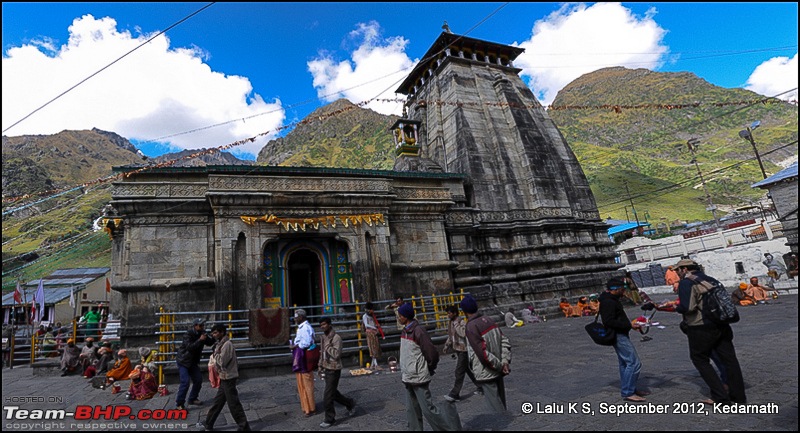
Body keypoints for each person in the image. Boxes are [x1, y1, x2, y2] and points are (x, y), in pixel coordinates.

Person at [674, 258, 746, 405]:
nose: (677, 273)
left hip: (701, 325)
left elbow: (688, 307)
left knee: (700, 359)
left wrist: (676, 307)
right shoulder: (710, 279)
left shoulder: (687, 282)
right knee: (730, 360)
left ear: (684, 269)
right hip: (721, 322)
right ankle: (738, 397)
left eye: (678, 270)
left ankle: (720, 396)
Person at [398, 302, 461, 431]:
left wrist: (429, 368)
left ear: (406, 316)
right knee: (412, 411)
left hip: (418, 375)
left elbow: (431, 353)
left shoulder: (418, 331)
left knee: (428, 410)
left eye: (400, 315)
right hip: (408, 375)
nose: (398, 318)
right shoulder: (405, 331)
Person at [599, 278, 648, 402]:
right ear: (615, 290)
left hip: (621, 333)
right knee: (634, 363)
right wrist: (629, 325)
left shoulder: (612, 300)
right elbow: (609, 321)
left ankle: (630, 388)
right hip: (617, 335)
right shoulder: (609, 302)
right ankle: (628, 391)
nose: (624, 291)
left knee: (625, 363)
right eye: (622, 289)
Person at [461, 295, 512, 413]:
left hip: (487, 370)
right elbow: (504, 340)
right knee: (501, 403)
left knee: (495, 408)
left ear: (464, 311)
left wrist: (499, 365)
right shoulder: (489, 320)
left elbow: (482, 354)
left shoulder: (471, 326)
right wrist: (504, 362)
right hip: (498, 368)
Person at [198, 323, 251, 431]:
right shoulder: (220, 344)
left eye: (216, 332)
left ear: (222, 332)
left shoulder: (227, 345)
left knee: (233, 404)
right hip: (224, 377)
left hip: (229, 377)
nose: (214, 335)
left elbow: (222, 362)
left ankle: (243, 426)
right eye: (213, 333)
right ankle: (209, 423)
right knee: (218, 402)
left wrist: (215, 354)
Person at [318, 317, 356, 428]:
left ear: (329, 324)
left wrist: (327, 346)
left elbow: (336, 354)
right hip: (326, 368)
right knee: (333, 393)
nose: (322, 327)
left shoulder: (336, 338)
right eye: (321, 325)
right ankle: (349, 403)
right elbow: (322, 353)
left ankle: (330, 419)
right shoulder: (323, 337)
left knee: (327, 397)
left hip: (334, 369)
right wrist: (320, 365)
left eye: (324, 324)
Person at [443, 305, 482, 402]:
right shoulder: (451, 323)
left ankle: (455, 393)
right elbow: (451, 335)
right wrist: (447, 345)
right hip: (457, 349)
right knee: (467, 370)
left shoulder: (461, 322)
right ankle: (481, 386)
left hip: (464, 350)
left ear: (455, 313)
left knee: (459, 371)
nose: (448, 315)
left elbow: (463, 334)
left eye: (449, 313)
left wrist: (456, 324)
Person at [175, 318, 213, 411]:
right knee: (185, 382)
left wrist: (213, 336)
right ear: (195, 326)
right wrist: (200, 340)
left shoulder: (202, 334)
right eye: (200, 325)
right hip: (183, 360)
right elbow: (190, 347)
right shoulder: (188, 334)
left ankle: (192, 398)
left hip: (193, 362)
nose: (202, 327)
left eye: (203, 325)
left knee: (198, 379)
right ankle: (179, 403)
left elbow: (209, 342)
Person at [290, 309, 316, 417]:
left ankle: (310, 408)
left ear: (301, 317)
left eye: (296, 317)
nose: (295, 319)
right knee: (302, 382)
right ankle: (306, 406)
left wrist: (295, 346)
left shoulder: (305, 328)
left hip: (304, 357)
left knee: (307, 383)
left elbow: (305, 343)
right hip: (300, 357)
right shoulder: (301, 328)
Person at [362, 302, 384, 369]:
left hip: (374, 333)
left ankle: (372, 365)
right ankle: (376, 364)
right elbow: (366, 325)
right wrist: (374, 327)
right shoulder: (365, 316)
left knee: (376, 348)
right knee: (372, 348)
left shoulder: (372, 316)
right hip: (370, 333)